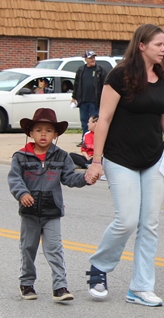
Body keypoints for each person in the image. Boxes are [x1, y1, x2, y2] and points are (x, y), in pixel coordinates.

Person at [84, 24, 164, 307]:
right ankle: (99, 267)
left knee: (150, 224)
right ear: (142, 45)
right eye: (159, 44)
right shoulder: (119, 76)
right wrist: (96, 161)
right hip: (119, 158)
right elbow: (104, 119)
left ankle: (140, 288)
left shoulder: (163, 77)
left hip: (152, 158)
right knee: (127, 220)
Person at [8, 108, 94, 302]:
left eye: (48, 130)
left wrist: (86, 178)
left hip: (52, 211)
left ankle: (60, 287)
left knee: (54, 249)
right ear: (30, 133)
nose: (43, 134)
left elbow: (69, 178)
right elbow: (14, 179)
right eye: (38, 130)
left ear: (56, 134)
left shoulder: (62, 156)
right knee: (28, 248)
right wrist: (22, 194)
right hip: (29, 212)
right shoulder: (20, 156)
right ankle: (27, 283)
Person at [71, 50, 106, 147]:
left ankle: (95, 140)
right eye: (90, 58)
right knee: (84, 121)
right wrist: (74, 97)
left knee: (94, 122)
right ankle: (85, 140)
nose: (93, 60)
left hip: (95, 101)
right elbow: (76, 84)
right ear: (85, 59)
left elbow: (105, 85)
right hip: (83, 101)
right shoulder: (81, 70)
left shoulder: (100, 70)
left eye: (94, 57)